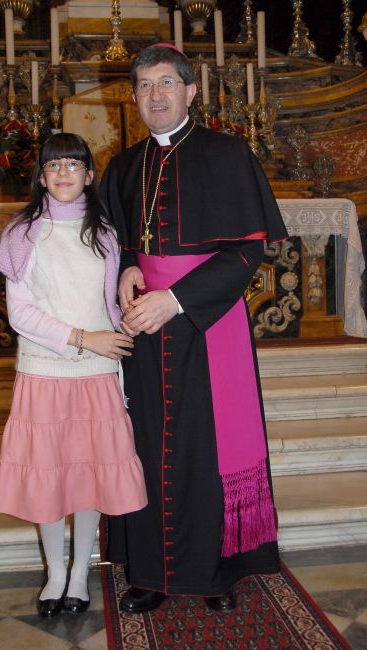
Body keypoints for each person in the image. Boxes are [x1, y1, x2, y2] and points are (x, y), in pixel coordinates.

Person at [100, 43, 288, 614]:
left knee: (210, 446)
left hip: (208, 323)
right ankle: (151, 573)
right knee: (147, 443)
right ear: (134, 97)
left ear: (190, 90)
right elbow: (118, 239)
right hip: (144, 328)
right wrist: (128, 267)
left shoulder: (227, 154)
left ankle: (216, 572)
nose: (155, 95)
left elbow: (247, 251)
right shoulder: (123, 165)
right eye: (144, 86)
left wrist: (176, 300)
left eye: (166, 83)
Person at [0, 133, 147, 618]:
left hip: (97, 372)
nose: (63, 173)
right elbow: (20, 313)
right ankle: (55, 573)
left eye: (73, 164)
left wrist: (125, 323)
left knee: (87, 475)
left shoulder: (106, 233)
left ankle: (80, 571)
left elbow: (111, 300)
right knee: (50, 474)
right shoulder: (22, 234)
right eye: (54, 165)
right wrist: (83, 338)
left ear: (89, 175)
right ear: (41, 178)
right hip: (45, 369)